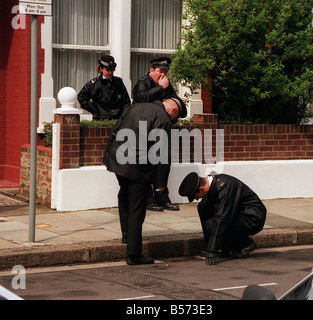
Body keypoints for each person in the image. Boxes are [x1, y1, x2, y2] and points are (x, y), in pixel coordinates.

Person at [103, 96, 187, 265]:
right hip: (137, 167)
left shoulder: (135, 107)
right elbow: (161, 156)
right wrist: (160, 187)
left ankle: (127, 235)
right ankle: (134, 254)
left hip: (118, 160)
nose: (173, 121)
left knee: (124, 196)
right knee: (137, 208)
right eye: (175, 118)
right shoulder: (163, 119)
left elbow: (115, 130)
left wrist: (107, 157)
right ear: (173, 111)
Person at [178, 172, 267, 265]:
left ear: (201, 189)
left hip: (252, 218)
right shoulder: (214, 185)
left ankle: (245, 244)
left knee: (213, 224)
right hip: (238, 214)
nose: (196, 199)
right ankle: (222, 247)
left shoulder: (225, 188)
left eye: (195, 196)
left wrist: (211, 251)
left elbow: (222, 219)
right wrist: (210, 246)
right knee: (203, 207)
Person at [132, 57, 180, 212]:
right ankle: (148, 199)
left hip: (161, 130)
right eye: (160, 71)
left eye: (165, 72)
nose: (163, 75)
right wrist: (160, 89)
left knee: (162, 165)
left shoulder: (166, 84)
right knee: (146, 165)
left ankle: (162, 198)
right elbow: (142, 99)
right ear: (152, 70)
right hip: (143, 130)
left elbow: (175, 101)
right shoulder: (143, 83)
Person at [78, 55, 131, 120]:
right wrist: (95, 111)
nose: (110, 73)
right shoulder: (94, 84)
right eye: (107, 70)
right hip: (101, 120)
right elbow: (82, 97)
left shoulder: (118, 82)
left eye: (112, 70)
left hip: (118, 119)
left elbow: (126, 102)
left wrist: (124, 116)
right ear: (101, 69)